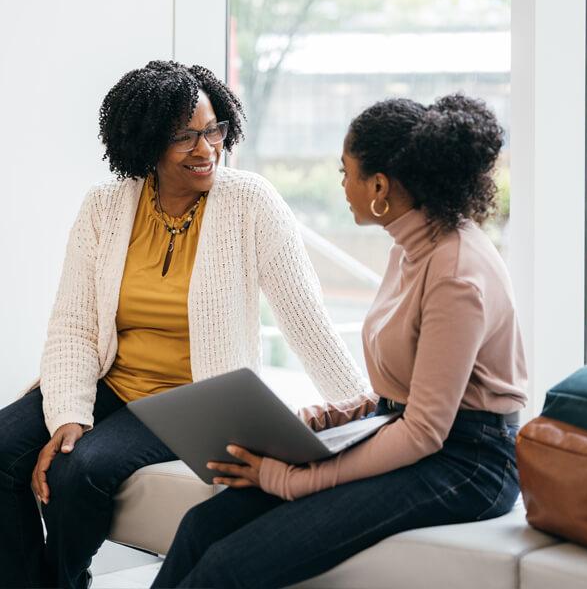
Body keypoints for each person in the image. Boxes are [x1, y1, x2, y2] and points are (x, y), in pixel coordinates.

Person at [0, 60, 369, 589]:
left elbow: (303, 315)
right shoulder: (105, 207)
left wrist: (363, 410)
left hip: (189, 398)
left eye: (214, 129)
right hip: (112, 381)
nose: (207, 148)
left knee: (78, 470)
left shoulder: (249, 202)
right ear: (146, 141)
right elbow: (74, 325)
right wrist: (69, 414)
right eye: (185, 137)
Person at [151, 94, 528, 589]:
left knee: (231, 568)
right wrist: (324, 422)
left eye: (345, 172)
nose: (342, 185)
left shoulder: (456, 273)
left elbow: (424, 432)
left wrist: (292, 479)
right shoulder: (411, 245)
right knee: (203, 527)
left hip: (470, 463)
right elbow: (408, 392)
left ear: (379, 186)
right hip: (415, 429)